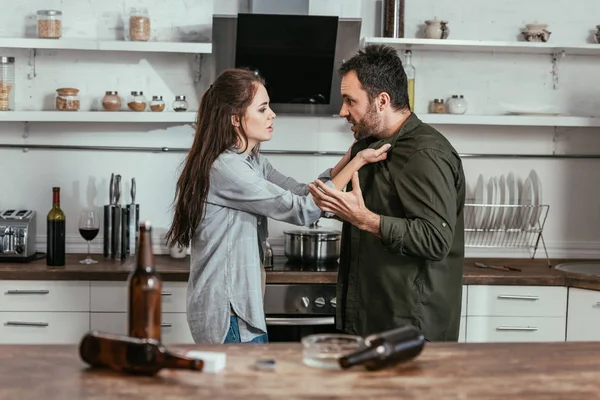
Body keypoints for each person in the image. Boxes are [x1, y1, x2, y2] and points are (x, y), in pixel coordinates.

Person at [165, 68, 390, 344]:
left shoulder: (252, 161)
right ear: (235, 119)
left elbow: (302, 192)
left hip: (240, 308)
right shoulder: (228, 168)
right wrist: (359, 162)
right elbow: (303, 210)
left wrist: (351, 154)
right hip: (228, 312)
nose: (272, 114)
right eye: (262, 109)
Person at [308, 45, 466, 341]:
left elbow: (436, 239)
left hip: (409, 327)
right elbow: (325, 196)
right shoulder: (366, 144)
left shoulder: (425, 153)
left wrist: (366, 220)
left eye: (350, 101)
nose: (342, 111)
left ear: (382, 101)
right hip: (366, 318)